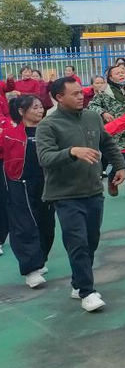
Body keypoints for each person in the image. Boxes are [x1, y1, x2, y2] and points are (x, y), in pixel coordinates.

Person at [36, 77, 125, 312]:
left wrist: (120, 165)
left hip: (93, 191)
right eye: (74, 94)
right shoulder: (48, 125)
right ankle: (87, 291)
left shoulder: (91, 117)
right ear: (59, 98)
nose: (80, 97)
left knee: (91, 240)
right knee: (77, 241)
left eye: (80, 93)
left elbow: (107, 144)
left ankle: (78, 283)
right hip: (65, 194)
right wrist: (72, 152)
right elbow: (45, 158)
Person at [2, 96, 55, 288]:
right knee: (24, 224)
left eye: (41, 107)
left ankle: (40, 258)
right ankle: (31, 268)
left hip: (47, 182)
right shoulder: (9, 134)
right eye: (34, 108)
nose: (40, 110)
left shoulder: (50, 130)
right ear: (22, 112)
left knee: (47, 224)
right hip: (19, 183)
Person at [87, 64, 125, 196]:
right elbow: (92, 105)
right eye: (117, 73)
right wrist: (103, 113)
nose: (121, 74)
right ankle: (112, 179)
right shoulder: (104, 91)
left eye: (123, 72)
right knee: (122, 160)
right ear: (110, 77)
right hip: (116, 131)